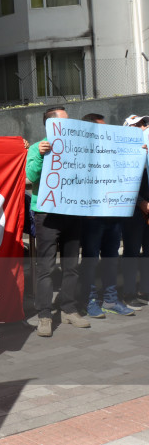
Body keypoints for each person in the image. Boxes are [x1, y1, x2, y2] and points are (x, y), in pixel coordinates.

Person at [26, 106, 90, 338]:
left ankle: (68, 308)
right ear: (52, 125)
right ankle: (44, 314)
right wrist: (42, 157)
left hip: (72, 211)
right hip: (47, 214)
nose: (69, 123)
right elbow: (30, 178)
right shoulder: (36, 148)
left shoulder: (77, 147)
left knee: (72, 264)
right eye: (64, 121)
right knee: (46, 267)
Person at [75, 113, 135, 319]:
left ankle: (110, 298)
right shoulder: (79, 153)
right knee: (91, 259)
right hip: (92, 218)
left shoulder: (113, 150)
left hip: (113, 214)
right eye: (102, 128)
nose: (106, 131)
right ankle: (89, 300)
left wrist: (138, 152)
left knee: (111, 258)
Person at [121, 114, 149, 309]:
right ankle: (128, 293)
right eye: (138, 125)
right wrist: (141, 203)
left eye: (143, 123)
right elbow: (123, 183)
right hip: (132, 211)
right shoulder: (123, 154)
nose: (143, 127)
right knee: (131, 251)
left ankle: (144, 290)